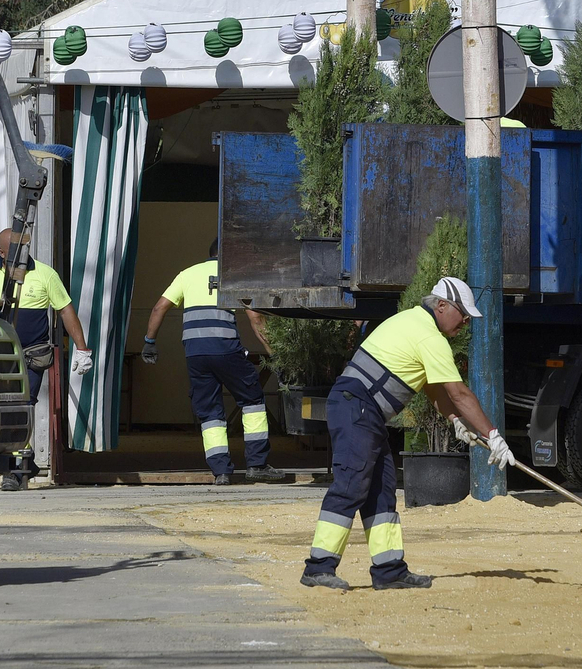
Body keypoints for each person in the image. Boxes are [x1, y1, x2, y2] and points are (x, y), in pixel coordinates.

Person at [300, 276, 514, 591]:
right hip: (357, 407)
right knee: (351, 484)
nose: (466, 321)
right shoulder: (429, 336)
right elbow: (458, 393)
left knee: (381, 489)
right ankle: (318, 568)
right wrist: (493, 435)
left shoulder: (415, 322)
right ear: (442, 306)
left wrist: (455, 420)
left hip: (360, 409)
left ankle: (389, 570)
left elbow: (432, 386)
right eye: (463, 313)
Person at [142, 240, 290, 485]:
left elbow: (159, 308)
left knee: (209, 411)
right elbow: (256, 319)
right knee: (252, 399)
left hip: (195, 354)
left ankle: (221, 472)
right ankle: (257, 465)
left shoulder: (187, 274)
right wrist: (276, 356)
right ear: (228, 254)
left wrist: (149, 341)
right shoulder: (235, 275)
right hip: (226, 349)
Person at [0, 228, 92, 490]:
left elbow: (65, 310)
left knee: (22, 403)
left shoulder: (45, 274)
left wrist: (82, 348)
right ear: (2, 252)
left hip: (32, 354)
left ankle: (15, 470)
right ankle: (23, 460)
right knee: (4, 407)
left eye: (25, 248)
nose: (23, 255)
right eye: (16, 250)